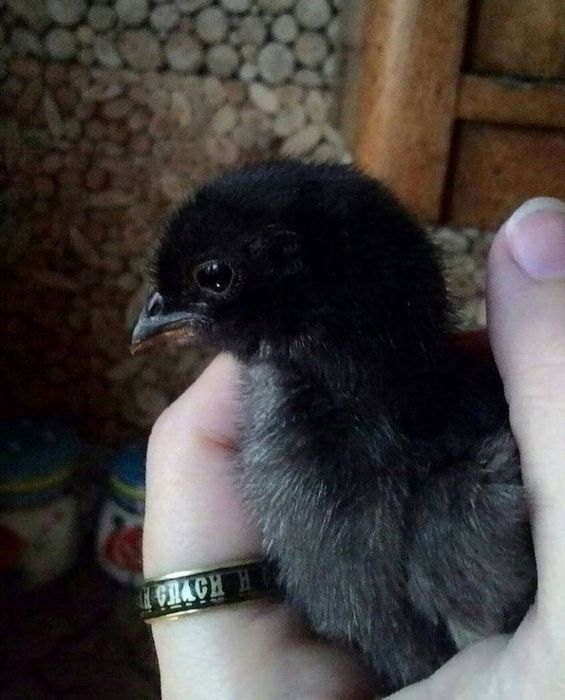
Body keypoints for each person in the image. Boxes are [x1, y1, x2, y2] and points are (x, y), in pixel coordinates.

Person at [142, 197, 565, 699]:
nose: (154, 310)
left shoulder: (466, 500)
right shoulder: (272, 395)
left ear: (293, 265)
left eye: (213, 278)